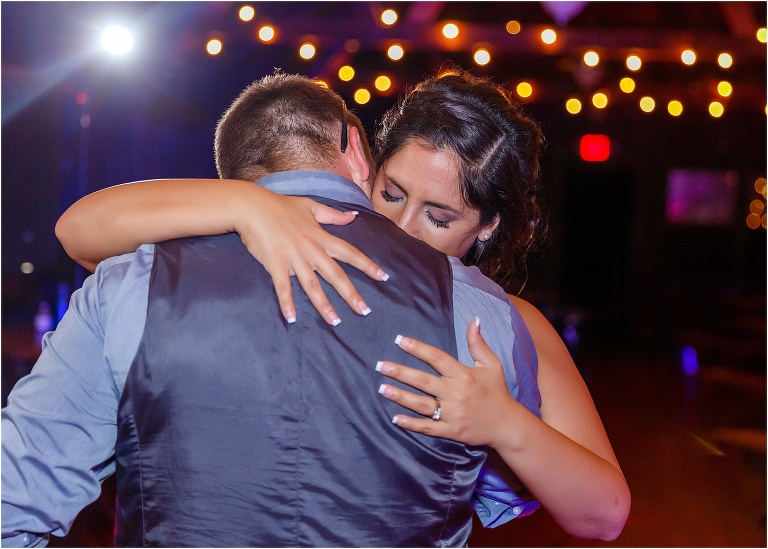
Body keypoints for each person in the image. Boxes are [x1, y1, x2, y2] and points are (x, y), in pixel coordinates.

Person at [54, 68, 631, 539]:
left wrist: (505, 423)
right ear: (364, 165)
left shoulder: (501, 321)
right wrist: (245, 204)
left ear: (486, 227)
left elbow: (605, 515)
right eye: (392, 193)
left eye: (438, 216)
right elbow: (81, 232)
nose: (401, 227)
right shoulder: (297, 230)